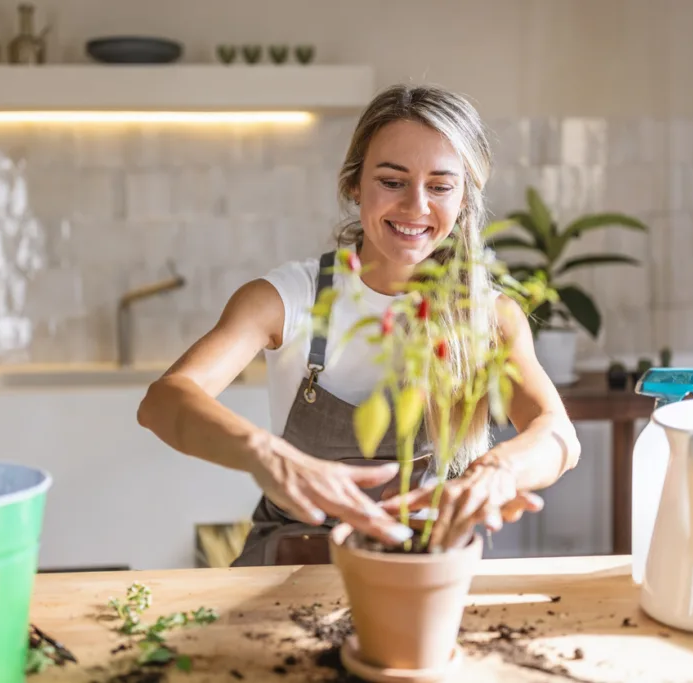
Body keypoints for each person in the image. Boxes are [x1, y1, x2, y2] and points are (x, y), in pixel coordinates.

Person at [137, 84, 582, 567]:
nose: (416, 206)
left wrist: (499, 470)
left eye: (439, 186)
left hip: (423, 558)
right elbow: (163, 401)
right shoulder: (290, 298)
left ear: (465, 200)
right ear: (355, 184)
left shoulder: (489, 317)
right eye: (392, 181)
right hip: (293, 556)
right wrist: (266, 455)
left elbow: (557, 434)